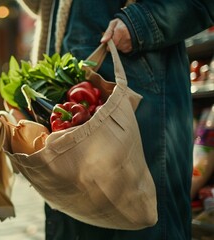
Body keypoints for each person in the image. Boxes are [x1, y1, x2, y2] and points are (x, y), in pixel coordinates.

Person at [16, 0, 214, 239]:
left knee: (141, 221)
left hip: (138, 86)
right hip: (74, 84)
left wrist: (139, 24)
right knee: (77, 219)